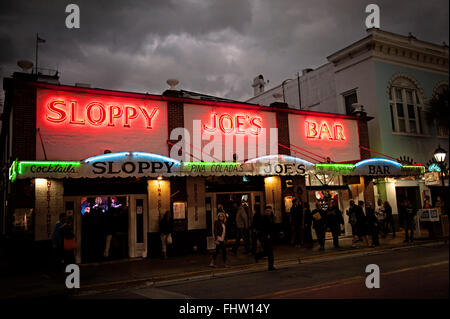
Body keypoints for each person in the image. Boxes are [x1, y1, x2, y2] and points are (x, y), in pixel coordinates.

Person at [255, 206, 276, 271]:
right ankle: (270, 266)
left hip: (270, 237)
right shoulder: (263, 219)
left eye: (269, 211)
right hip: (265, 237)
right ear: (264, 212)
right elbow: (261, 228)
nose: (268, 212)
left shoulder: (272, 218)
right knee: (270, 253)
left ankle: (258, 256)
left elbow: (273, 227)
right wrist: (266, 235)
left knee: (267, 252)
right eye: (267, 211)